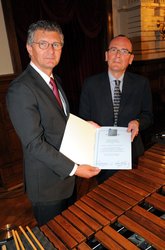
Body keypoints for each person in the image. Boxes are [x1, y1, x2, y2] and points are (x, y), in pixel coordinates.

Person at [6, 20, 100, 226]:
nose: (51, 50)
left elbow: (59, 120)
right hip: (47, 185)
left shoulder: (54, 79)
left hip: (65, 179)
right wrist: (75, 169)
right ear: (29, 48)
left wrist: (86, 124)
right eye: (43, 44)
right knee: (54, 239)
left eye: (56, 45)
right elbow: (34, 144)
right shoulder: (21, 89)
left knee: (69, 232)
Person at [79, 34, 153, 184]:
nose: (118, 55)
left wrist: (138, 122)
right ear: (106, 55)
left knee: (132, 195)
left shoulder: (141, 84)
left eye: (124, 51)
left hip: (132, 154)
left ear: (131, 59)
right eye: (113, 50)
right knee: (106, 197)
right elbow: (83, 118)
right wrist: (88, 126)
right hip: (101, 154)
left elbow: (148, 116)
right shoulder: (90, 84)